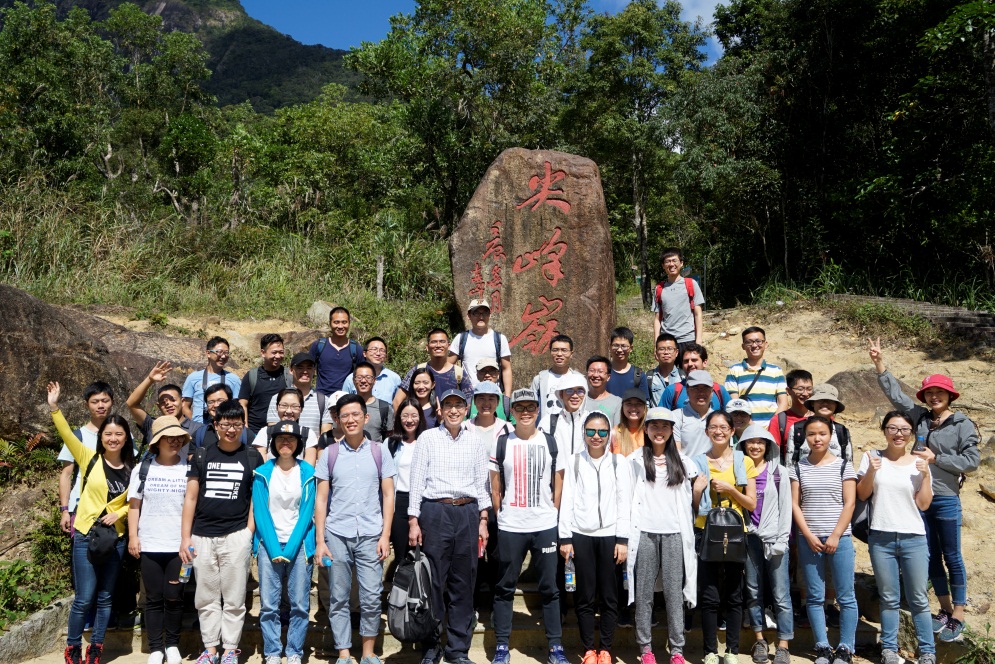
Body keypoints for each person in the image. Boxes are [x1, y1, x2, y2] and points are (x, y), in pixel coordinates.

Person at [869, 337, 979, 642]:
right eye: (930, 393)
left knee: (952, 555)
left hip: (946, 498)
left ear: (950, 395)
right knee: (930, 555)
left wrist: (936, 458)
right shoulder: (919, 417)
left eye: (939, 392)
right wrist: (879, 363)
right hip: (917, 498)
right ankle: (944, 608)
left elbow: (972, 462)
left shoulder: (962, 424)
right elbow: (896, 395)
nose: (934, 397)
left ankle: (959, 613)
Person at [48, 381, 134, 664]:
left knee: (106, 597)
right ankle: (73, 647)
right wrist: (54, 408)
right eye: (108, 434)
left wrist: (120, 514)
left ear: (126, 438)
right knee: (84, 597)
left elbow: (136, 502)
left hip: (115, 538)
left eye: (118, 434)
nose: (113, 438)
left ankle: (96, 647)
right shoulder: (89, 459)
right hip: (86, 533)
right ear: (102, 437)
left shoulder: (133, 469)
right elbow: (66, 434)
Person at [407, 389, 491, 664]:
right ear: (440, 410)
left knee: (464, 582)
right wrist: (413, 519)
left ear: (466, 410)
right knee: (433, 582)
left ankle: (457, 650)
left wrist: (483, 519)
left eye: (458, 405)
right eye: (448, 405)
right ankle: (431, 646)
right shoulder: (428, 438)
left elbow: (482, 483)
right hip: (435, 512)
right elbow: (416, 481)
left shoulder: (475, 440)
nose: (453, 410)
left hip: (467, 513)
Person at [314, 394, 396, 664]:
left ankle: (368, 653)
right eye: (344, 416)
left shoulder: (379, 451)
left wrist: (385, 535)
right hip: (337, 534)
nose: (350, 420)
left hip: (371, 534)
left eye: (355, 414)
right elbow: (321, 500)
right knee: (338, 597)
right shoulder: (330, 454)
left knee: (371, 596)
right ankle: (344, 653)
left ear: (365, 417)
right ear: (338, 420)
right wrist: (320, 541)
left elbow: (388, 495)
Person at [180, 400, 264, 664]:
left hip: (236, 535)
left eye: (236, 424)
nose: (231, 430)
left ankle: (229, 650)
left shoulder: (252, 456)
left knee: (235, 598)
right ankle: (210, 650)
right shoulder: (202, 455)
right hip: (202, 535)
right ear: (215, 425)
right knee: (205, 597)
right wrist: (185, 537)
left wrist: (248, 531)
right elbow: (190, 497)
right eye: (226, 424)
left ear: (243, 426)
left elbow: (256, 498)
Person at [489, 389, 568, 664]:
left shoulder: (550, 442)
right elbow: (495, 487)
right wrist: (503, 515)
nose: (525, 412)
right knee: (505, 586)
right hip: (511, 525)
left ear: (537, 410)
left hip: (544, 525)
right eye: (520, 407)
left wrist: (552, 512)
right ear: (511, 411)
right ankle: (502, 645)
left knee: (550, 588)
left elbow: (559, 482)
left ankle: (555, 647)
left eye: (530, 407)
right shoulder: (502, 443)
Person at [857, 411, 936, 664]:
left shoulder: (919, 462)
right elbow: (862, 494)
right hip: (881, 536)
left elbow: (923, 504)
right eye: (892, 428)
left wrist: (926, 475)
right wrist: (871, 471)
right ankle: (889, 650)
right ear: (884, 430)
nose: (898, 434)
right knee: (889, 597)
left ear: (911, 433)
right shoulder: (871, 457)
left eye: (904, 429)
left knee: (918, 599)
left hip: (914, 537)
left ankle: (928, 652)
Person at [626, 407, 698, 664]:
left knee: (673, 593)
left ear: (671, 431)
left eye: (665, 426)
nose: (659, 431)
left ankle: (677, 650)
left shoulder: (684, 462)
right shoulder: (634, 461)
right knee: (644, 593)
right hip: (644, 533)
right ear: (646, 429)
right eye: (654, 426)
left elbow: (693, 497)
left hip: (674, 534)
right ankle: (646, 649)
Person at [559, 412, 631, 664]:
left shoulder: (619, 462)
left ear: (610, 434)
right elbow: (567, 498)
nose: (596, 436)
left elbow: (624, 501)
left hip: (610, 536)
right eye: (591, 431)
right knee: (585, 596)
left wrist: (623, 539)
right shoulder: (575, 461)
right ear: (584, 433)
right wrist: (565, 537)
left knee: (610, 596)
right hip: (581, 535)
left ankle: (606, 649)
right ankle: (589, 649)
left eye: (602, 432)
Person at [691, 411, 758, 664]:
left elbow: (751, 504)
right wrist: (697, 491)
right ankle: (710, 651)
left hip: (735, 532)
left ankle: (731, 651)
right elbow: (692, 507)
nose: (718, 431)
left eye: (723, 427)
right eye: (713, 427)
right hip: (705, 531)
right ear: (706, 431)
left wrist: (730, 489)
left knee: (734, 594)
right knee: (709, 594)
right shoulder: (697, 462)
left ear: (731, 431)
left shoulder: (744, 461)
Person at [790, 416, 858, 664]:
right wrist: (807, 535)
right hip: (809, 539)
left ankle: (846, 648)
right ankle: (822, 647)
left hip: (841, 538)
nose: (817, 439)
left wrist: (836, 535)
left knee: (846, 596)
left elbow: (850, 503)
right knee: (814, 596)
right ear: (804, 438)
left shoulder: (843, 466)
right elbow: (795, 505)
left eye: (822, 434)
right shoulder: (798, 467)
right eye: (811, 434)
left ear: (831, 436)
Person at [126, 417, 191, 664]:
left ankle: (172, 644)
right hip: (150, 543)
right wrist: (133, 536)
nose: (175, 442)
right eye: (168, 438)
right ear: (157, 442)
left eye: (178, 438)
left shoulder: (189, 468)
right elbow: (134, 506)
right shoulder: (143, 469)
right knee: (153, 598)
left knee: (174, 596)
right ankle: (155, 648)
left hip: (179, 546)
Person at [253, 421, 317, 664]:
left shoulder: (308, 473)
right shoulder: (262, 472)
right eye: (280, 438)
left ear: (299, 444)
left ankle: (294, 652)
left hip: (299, 545)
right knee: (269, 604)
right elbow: (260, 512)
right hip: (269, 545)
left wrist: (289, 549)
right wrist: (273, 548)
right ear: (273, 443)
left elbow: (307, 514)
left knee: (299, 603)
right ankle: (272, 652)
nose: (285, 442)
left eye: (291, 439)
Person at [737, 425, 793, 664]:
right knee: (753, 590)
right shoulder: (739, 471)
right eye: (750, 442)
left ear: (768, 446)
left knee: (781, 594)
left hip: (775, 538)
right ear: (743, 445)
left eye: (760, 442)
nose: (755, 446)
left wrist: (783, 539)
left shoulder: (779, 472)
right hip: (750, 537)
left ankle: (783, 644)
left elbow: (786, 508)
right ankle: (759, 639)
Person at [57, 381, 114, 535]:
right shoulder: (78, 436)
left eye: (105, 401)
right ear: (86, 405)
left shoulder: (122, 435)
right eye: (95, 402)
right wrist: (65, 510)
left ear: (112, 402)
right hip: (81, 509)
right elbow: (66, 474)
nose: (100, 405)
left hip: (113, 511)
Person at [386, 399, 428, 566]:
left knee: (425, 553)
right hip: (400, 502)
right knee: (401, 555)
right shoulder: (390, 443)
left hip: (425, 501)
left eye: (414, 415)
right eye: (405, 416)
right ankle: (402, 583)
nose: (409, 420)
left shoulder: (429, 441)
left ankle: (424, 583)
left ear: (420, 417)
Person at [394, 329, 474, 411]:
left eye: (442, 341)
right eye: (434, 342)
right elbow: (397, 401)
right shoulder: (417, 370)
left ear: (449, 346)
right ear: (427, 347)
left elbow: (470, 403)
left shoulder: (459, 373)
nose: (438, 345)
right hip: (421, 419)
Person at [127, 361, 202, 448]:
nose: (168, 404)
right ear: (158, 406)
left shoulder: (198, 429)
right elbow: (131, 404)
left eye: (173, 400)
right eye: (163, 402)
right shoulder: (153, 425)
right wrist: (150, 379)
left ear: (183, 402)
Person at [724, 327, 789, 426]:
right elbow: (734, 404)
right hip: (745, 428)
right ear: (743, 346)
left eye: (758, 341)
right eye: (749, 342)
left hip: (772, 429)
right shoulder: (734, 370)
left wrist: (773, 426)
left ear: (765, 344)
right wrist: (753, 427)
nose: (754, 345)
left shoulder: (776, 371)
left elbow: (783, 403)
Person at [783, 384, 852, 472]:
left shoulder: (842, 431)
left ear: (836, 405)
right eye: (820, 400)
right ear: (813, 403)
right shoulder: (798, 429)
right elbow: (789, 464)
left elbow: (849, 464)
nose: (825, 404)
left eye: (830, 401)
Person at [450, 299, 512, 394]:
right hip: (469, 395)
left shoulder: (499, 339)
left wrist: (507, 397)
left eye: (485, 313)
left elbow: (506, 368)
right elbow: (449, 366)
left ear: (490, 315)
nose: (481, 317)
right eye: (476, 313)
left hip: (493, 394)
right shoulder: (461, 338)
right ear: (469, 316)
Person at [265, 352, 332, 435]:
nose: (305, 371)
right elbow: (272, 431)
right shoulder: (277, 398)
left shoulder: (324, 401)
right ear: (291, 370)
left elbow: (325, 436)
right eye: (300, 367)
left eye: (309, 368)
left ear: (314, 371)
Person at [652, 247, 704, 353]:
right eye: (667, 261)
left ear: (681, 263)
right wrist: (657, 343)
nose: (671, 264)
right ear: (663, 266)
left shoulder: (691, 284)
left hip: (688, 339)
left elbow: (698, 314)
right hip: (667, 342)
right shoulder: (659, 289)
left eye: (674, 260)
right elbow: (657, 319)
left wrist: (698, 340)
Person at [239, 333, 291, 437]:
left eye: (281, 352)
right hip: (255, 433)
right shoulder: (252, 376)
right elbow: (242, 403)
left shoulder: (289, 376)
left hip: (282, 432)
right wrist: (245, 428)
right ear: (263, 353)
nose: (278, 356)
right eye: (274, 352)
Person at [251, 389, 319, 465]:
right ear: (277, 407)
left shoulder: (308, 434)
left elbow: (309, 468)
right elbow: (261, 466)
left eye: (294, 406)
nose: (289, 411)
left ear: (301, 409)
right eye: (284, 405)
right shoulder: (265, 432)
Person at [182, 337, 242, 423]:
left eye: (226, 353)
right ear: (208, 353)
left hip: (224, 427)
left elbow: (237, 407)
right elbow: (184, 406)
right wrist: (195, 424)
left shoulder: (234, 379)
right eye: (219, 352)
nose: (223, 356)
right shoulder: (193, 377)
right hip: (199, 427)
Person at [658, 344, 730, 411]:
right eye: (686, 361)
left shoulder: (719, 390)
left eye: (694, 360)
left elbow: (731, 416)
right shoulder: (672, 391)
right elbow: (660, 417)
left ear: (704, 362)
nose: (690, 364)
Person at [311, 307, 365, 395]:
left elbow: (363, 374)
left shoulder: (356, 348)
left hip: (346, 398)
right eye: (336, 322)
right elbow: (307, 370)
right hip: (321, 398)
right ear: (330, 323)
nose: (340, 326)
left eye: (344, 322)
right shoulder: (319, 345)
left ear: (349, 323)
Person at [530, 334, 584, 414]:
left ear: (571, 354)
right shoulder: (539, 379)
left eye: (564, 350)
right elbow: (530, 405)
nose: (559, 354)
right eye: (555, 350)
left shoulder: (579, 379)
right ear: (550, 352)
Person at [538, 374, 590, 456]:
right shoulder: (547, 422)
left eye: (580, 391)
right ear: (561, 394)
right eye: (569, 390)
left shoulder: (592, 421)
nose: (575, 396)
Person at [672, 370, 719, 458]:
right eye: (695, 388)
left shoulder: (718, 419)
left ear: (712, 391)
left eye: (705, 388)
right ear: (687, 391)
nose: (701, 393)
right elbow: (676, 453)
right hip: (685, 465)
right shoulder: (676, 417)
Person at [342, 337, 402, 403]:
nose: (378, 353)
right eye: (374, 349)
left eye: (382, 350)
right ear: (364, 353)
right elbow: (344, 404)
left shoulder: (394, 378)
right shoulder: (351, 378)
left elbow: (398, 404)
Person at [768, 370, 814, 451]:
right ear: (788, 391)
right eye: (800, 389)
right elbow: (773, 452)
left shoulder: (822, 417)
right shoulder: (778, 421)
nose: (805, 393)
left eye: (809, 389)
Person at [351, 361, 395, 441]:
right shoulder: (346, 407)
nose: (363, 381)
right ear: (353, 380)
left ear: (374, 380)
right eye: (359, 377)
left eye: (368, 377)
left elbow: (390, 438)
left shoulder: (384, 408)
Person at [606, 327, 649, 399]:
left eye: (624, 346)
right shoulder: (602, 372)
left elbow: (644, 402)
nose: (619, 350)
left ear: (631, 348)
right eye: (616, 345)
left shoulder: (638, 375)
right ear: (610, 346)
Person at [647, 333, 683, 408]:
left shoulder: (683, 377)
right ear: (656, 352)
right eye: (662, 349)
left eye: (670, 349)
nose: (666, 352)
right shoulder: (649, 377)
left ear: (676, 352)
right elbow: (645, 404)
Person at [585, 356, 622, 426]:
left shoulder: (617, 402)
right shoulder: (580, 399)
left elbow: (617, 429)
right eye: (592, 371)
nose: (595, 375)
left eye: (600, 371)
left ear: (608, 377)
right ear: (587, 374)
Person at [614, 388, 647, 456]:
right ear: (622, 407)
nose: (633, 408)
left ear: (645, 408)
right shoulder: (614, 432)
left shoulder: (650, 432)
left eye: (638, 404)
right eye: (629, 404)